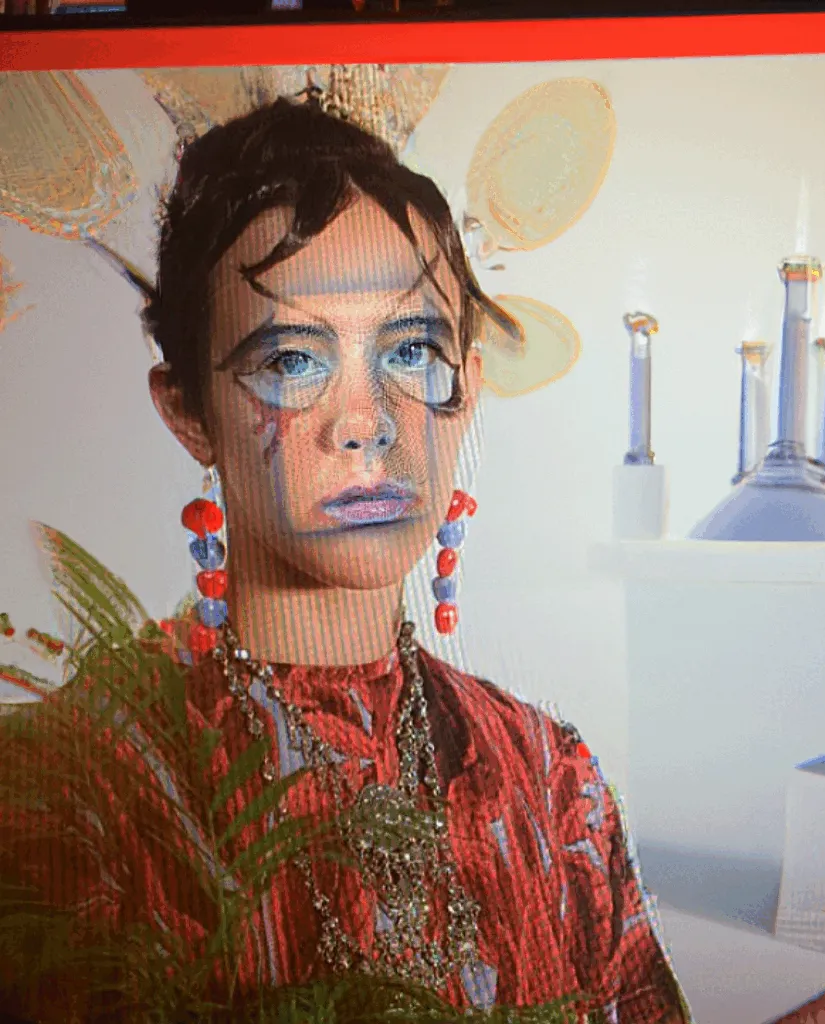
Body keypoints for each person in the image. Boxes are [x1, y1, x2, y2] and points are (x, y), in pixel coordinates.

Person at [0, 94, 690, 1023]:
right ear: (189, 411)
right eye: (292, 361)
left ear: (467, 389)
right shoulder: (79, 795)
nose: (366, 422)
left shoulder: (549, 775)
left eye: (413, 351)